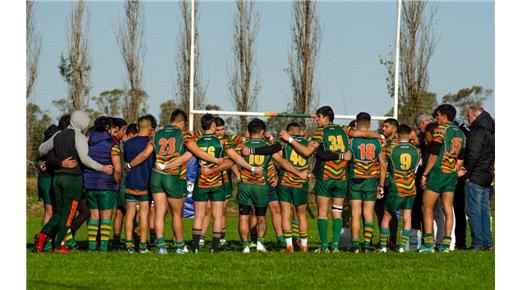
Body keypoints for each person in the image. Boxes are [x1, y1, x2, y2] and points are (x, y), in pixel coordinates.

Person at [279, 106, 380, 253]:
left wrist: (289, 139)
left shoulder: (321, 132)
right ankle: (335, 247)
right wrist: (378, 136)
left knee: (322, 212)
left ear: (326, 117)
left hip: (326, 177)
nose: (317, 120)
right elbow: (361, 133)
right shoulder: (344, 129)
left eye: (318, 117)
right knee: (337, 212)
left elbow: (307, 152)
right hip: (341, 177)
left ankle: (325, 246)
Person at [127, 110, 224, 254]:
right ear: (182, 122)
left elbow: (145, 154)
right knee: (177, 214)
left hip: (156, 176)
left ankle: (161, 246)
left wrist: (130, 165)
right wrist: (215, 160)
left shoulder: (157, 133)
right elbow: (196, 152)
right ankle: (179, 246)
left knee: (160, 212)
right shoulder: (183, 133)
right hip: (172, 176)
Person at [33, 110, 114, 253]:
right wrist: (102, 168)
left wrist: (59, 162)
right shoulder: (79, 136)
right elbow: (84, 159)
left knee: (59, 212)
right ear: (82, 122)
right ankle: (59, 245)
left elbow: (40, 150)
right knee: (68, 213)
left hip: (57, 178)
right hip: (72, 179)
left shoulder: (58, 134)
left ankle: (42, 236)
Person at [233, 118, 308, 253]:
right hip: (261, 185)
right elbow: (282, 162)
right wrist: (298, 173)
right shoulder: (268, 146)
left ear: (249, 132)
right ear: (262, 131)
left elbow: (231, 161)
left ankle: (245, 246)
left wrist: (237, 175)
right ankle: (260, 243)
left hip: (245, 185)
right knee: (261, 216)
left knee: (244, 216)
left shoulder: (242, 146)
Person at [420, 104, 466, 253]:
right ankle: (446, 245)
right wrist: (453, 171)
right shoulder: (461, 134)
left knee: (426, 207)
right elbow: (460, 159)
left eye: (437, 115)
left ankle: (428, 245)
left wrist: (425, 173)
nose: (436, 118)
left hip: (438, 172)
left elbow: (434, 154)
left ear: (444, 116)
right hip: (451, 174)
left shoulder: (441, 130)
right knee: (448, 209)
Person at [376, 124, 421, 253]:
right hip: (411, 188)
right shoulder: (416, 151)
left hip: (396, 188)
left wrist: (380, 185)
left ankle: (383, 246)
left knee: (387, 216)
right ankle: (402, 247)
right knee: (407, 216)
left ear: (398, 135)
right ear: (409, 135)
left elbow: (383, 165)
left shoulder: (391, 149)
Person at [346, 112, 385, 253]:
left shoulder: (350, 139)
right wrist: (381, 184)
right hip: (371, 180)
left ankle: (355, 245)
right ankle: (367, 245)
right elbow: (382, 165)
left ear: (356, 123)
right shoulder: (378, 141)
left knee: (355, 213)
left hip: (355, 179)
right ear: (369, 124)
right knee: (368, 213)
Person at [84, 117, 123, 252]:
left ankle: (91, 246)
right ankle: (104, 247)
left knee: (94, 216)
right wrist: (118, 183)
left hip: (89, 183)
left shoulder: (87, 143)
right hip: (106, 184)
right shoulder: (112, 144)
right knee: (106, 217)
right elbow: (117, 169)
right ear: (108, 128)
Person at [460, 106, 495, 250]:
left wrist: (466, 174)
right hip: (486, 175)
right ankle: (487, 243)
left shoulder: (477, 131)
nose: (467, 119)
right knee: (484, 211)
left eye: (468, 116)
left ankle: (478, 243)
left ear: (475, 116)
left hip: (475, 176)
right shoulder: (490, 131)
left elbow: (473, 154)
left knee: (473, 211)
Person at [123, 116, 155, 254]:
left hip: (130, 182)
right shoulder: (151, 144)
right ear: (150, 128)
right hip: (145, 184)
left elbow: (126, 163)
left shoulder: (128, 143)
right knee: (143, 215)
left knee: (129, 214)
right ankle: (142, 245)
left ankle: (129, 245)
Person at [375, 117, 400, 250]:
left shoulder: (396, 144)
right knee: (379, 210)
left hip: (392, 182)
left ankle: (393, 240)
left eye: (386, 127)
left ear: (394, 129)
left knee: (391, 211)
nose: (383, 129)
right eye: (383, 127)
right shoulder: (382, 143)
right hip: (381, 181)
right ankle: (383, 239)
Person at [112, 122, 135, 249]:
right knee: (131, 212)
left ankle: (116, 239)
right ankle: (132, 239)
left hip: (118, 183)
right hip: (125, 183)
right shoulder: (126, 146)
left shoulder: (120, 145)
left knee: (120, 211)